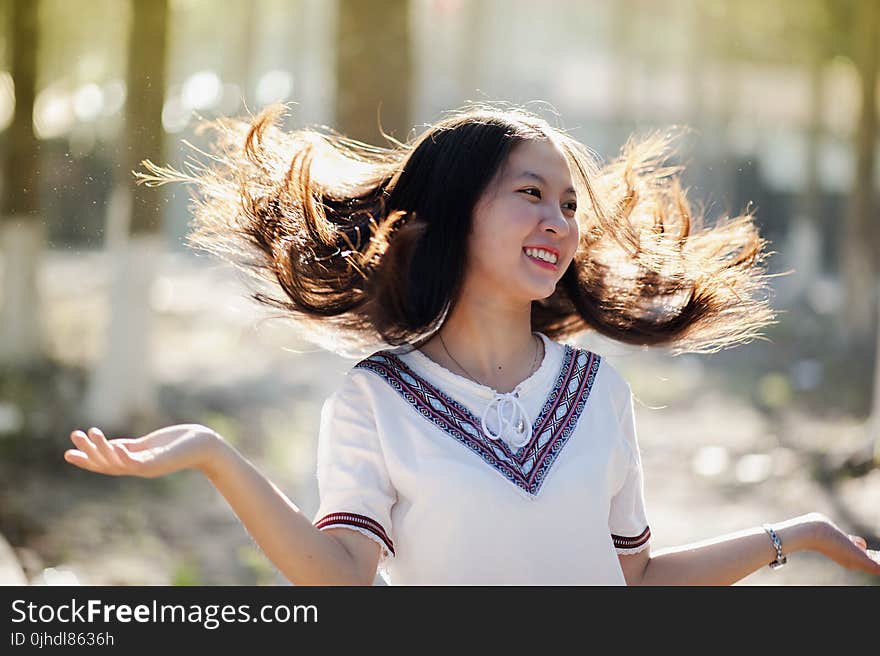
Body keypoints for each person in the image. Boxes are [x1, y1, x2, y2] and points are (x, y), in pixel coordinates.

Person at [64, 104, 880, 585]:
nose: (558, 222)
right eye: (530, 195)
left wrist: (794, 535)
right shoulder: (377, 398)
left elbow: (633, 579)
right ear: (455, 213)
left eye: (567, 203)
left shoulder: (598, 390)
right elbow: (343, 577)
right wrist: (216, 455)